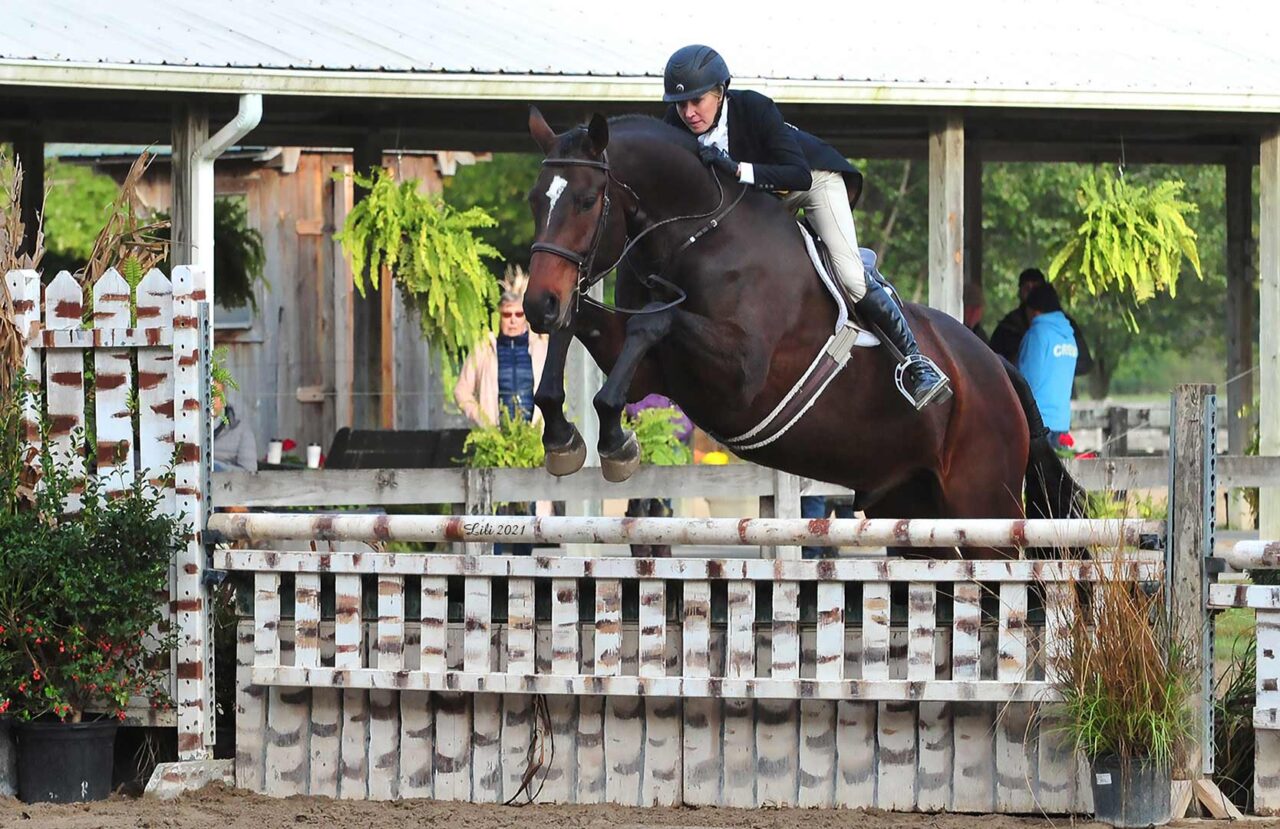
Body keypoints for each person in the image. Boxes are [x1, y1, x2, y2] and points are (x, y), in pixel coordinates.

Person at [660, 44, 950, 411]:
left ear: (721, 91)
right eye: (680, 104)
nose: (688, 113)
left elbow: (796, 174)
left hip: (812, 184)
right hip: (756, 202)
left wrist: (735, 168)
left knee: (848, 274)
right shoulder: (673, 126)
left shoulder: (754, 108)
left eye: (697, 101)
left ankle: (916, 362)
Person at [454, 269, 550, 555]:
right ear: (500, 315)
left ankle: (523, 574)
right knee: (493, 513)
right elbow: (461, 391)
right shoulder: (485, 349)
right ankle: (493, 575)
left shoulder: (540, 348)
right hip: (495, 442)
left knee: (526, 513)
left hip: (529, 443)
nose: (512, 321)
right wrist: (482, 420)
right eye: (507, 315)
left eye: (518, 315)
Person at [990, 268, 1092, 376]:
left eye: (1036, 288)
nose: (1032, 293)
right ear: (1020, 292)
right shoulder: (1008, 325)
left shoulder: (1064, 326)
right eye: (1027, 288)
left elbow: (1084, 363)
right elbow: (991, 362)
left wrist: (1055, 364)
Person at [1017, 283, 1078, 447]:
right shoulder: (1069, 336)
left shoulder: (1037, 334)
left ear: (1034, 311)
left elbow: (1025, 382)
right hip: (1062, 424)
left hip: (1038, 424)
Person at [211, 380, 258, 472]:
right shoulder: (187, 426)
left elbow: (249, 473)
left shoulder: (241, 428)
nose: (210, 400)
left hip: (228, 484)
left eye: (215, 395)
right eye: (206, 395)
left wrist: (216, 467)